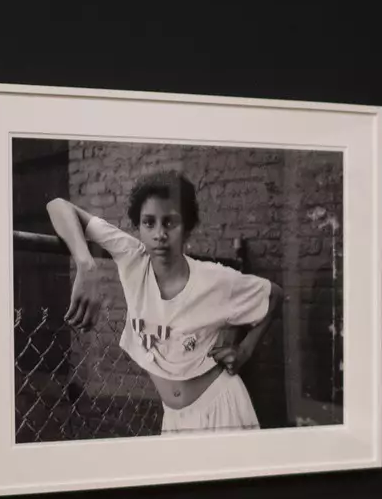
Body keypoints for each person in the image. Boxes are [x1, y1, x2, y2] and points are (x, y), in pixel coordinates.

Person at [45, 171, 281, 433]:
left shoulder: (215, 279)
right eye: (149, 223)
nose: (159, 234)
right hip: (173, 420)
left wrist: (246, 350)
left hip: (222, 411)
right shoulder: (132, 257)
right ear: (139, 226)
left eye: (170, 223)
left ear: (187, 228)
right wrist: (85, 264)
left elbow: (274, 294)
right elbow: (58, 206)